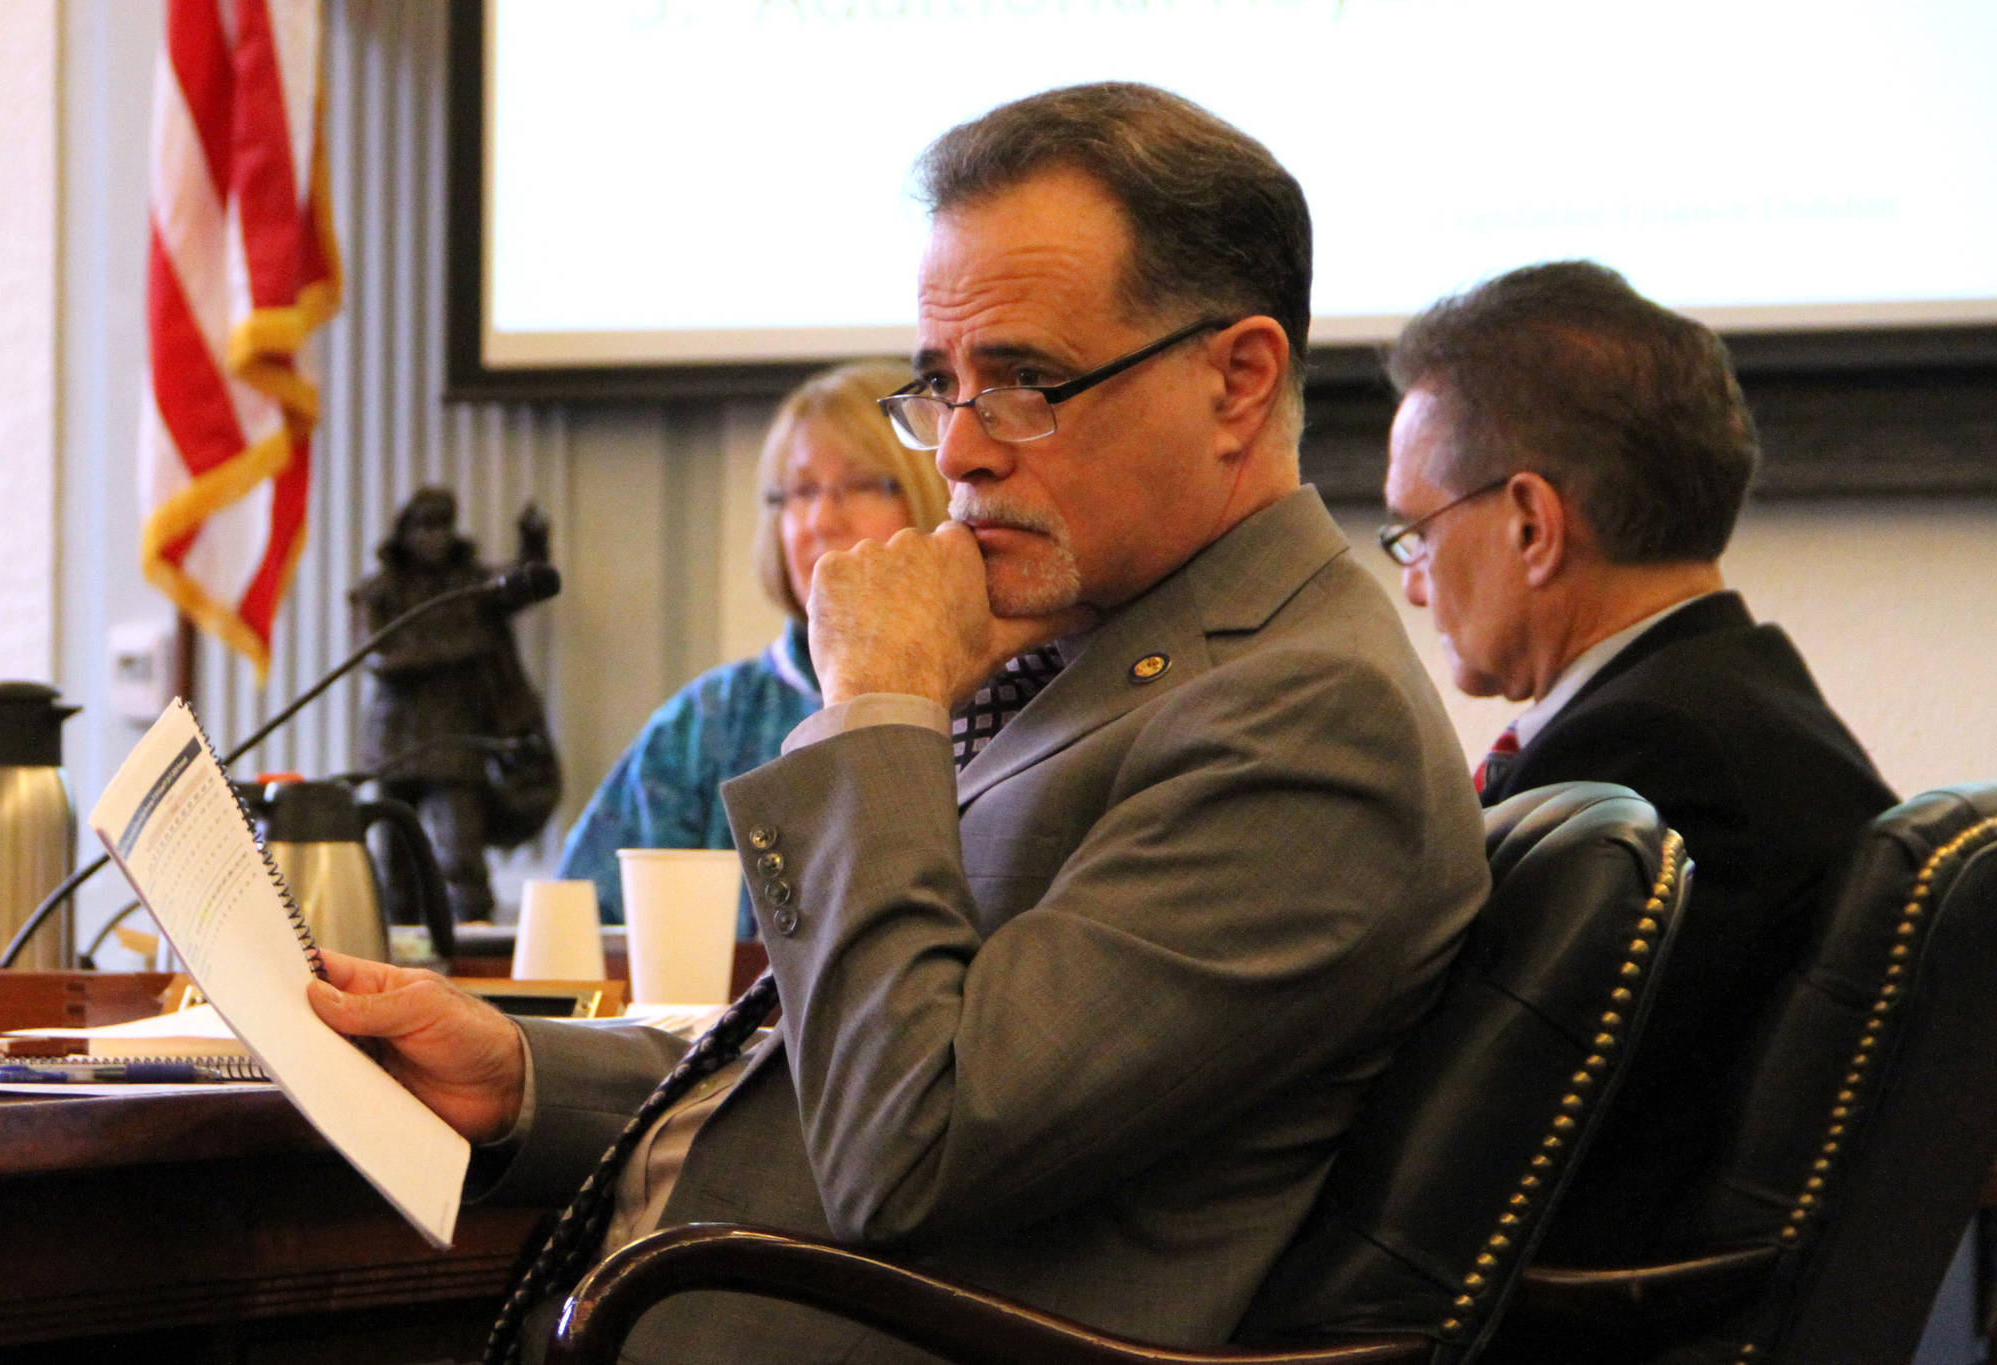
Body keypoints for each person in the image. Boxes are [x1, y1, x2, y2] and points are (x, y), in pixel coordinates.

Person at [310, 82, 1488, 1363]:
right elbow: (847, 1053)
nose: (963, 452)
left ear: (1236, 383)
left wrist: (879, 703)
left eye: (1027, 381)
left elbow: (906, 1150)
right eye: (942, 384)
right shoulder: (1100, 649)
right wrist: (528, 1078)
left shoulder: (1309, 717)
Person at [1379, 260, 1897, 1268]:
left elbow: (1472, 1142)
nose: (1411, 590)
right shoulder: (1735, 703)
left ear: (1530, 524)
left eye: (1415, 534)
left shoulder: (1644, 770)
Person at [556, 360, 950, 936]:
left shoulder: (1003, 693)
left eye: (863, 484)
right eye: (801, 491)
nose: (821, 519)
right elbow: (581, 932)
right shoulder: (709, 721)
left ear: (933, 491)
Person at [352, 488, 560, 923]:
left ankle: (474, 950)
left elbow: (521, 585)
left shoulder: (468, 585)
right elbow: (381, 658)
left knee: (462, 857)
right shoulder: (380, 591)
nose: (435, 537)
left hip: (455, 742)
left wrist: (534, 544)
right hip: (397, 742)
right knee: (395, 867)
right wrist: (461, 647)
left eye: (444, 525)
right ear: (405, 532)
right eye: (425, 525)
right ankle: (397, 961)